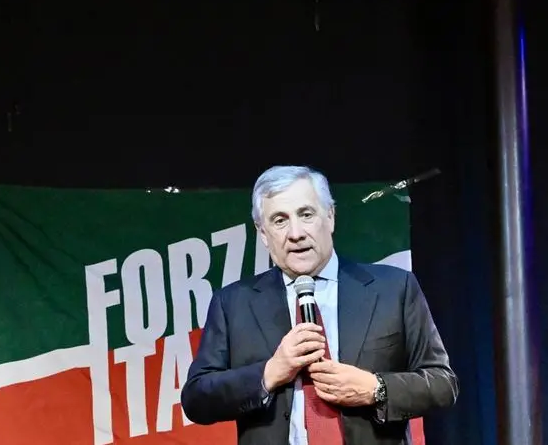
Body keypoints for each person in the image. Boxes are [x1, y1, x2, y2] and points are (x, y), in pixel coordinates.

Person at [180, 165, 458, 445]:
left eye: (306, 214)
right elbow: (196, 398)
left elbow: (442, 384)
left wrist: (375, 388)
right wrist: (269, 372)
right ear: (263, 233)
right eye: (279, 220)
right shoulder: (233, 303)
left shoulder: (394, 288)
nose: (296, 233)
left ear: (330, 216)